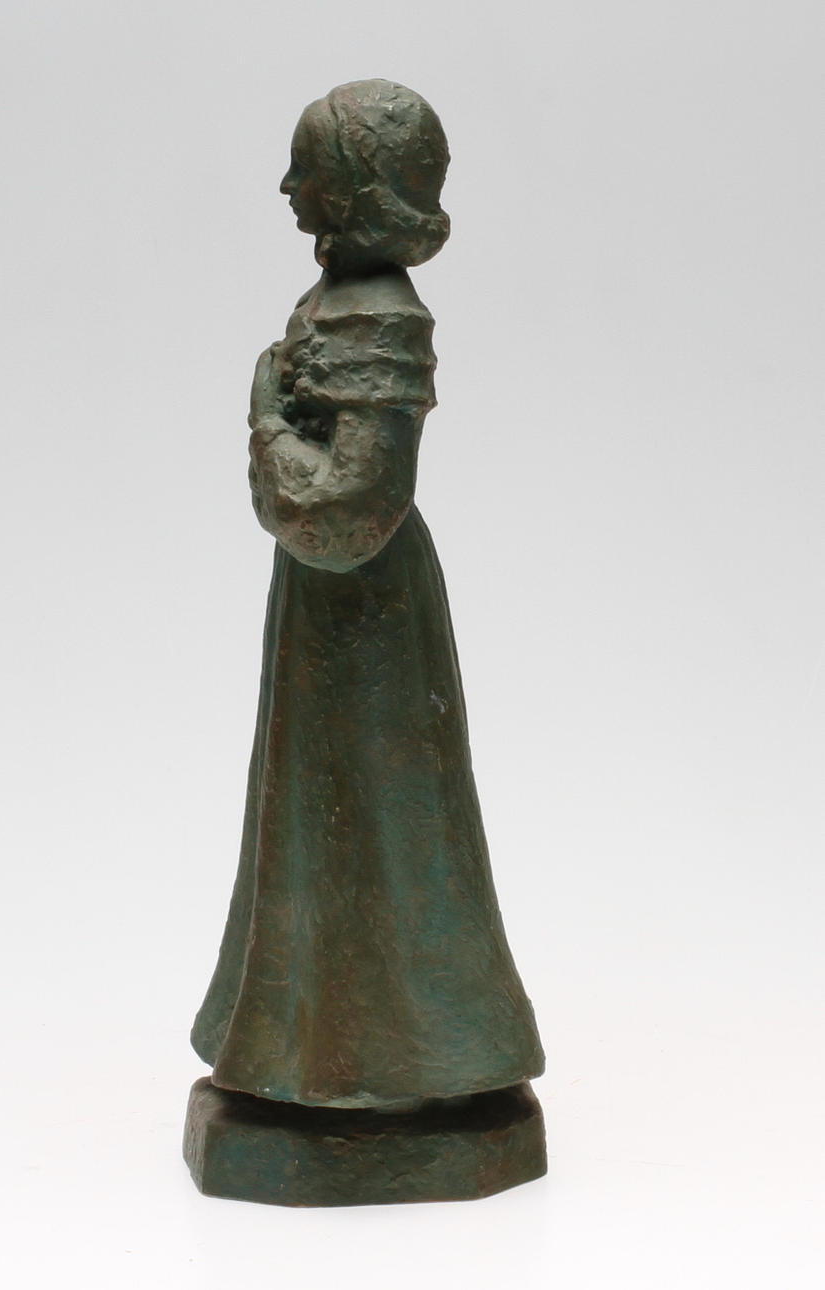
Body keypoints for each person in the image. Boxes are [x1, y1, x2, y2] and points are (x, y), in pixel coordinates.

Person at [191, 80, 544, 1110]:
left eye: (306, 170)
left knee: (381, 818)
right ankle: (315, 1051)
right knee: (326, 813)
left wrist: (266, 424)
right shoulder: (341, 303)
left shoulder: (376, 316)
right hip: (336, 607)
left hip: (361, 604)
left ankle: (414, 1056)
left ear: (352, 191)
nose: (286, 188)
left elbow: (348, 516)